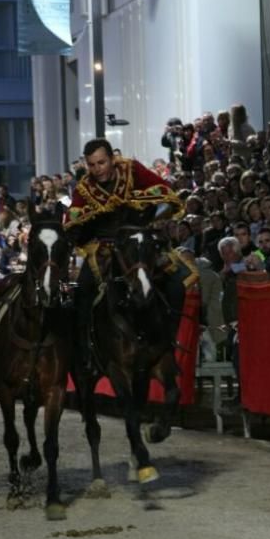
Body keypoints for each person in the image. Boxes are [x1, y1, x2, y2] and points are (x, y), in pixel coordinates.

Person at [63, 138, 185, 371]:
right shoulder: (83, 188)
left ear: (112, 158)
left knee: (177, 282)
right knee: (82, 292)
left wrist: (153, 219)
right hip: (104, 249)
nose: (97, 169)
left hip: (138, 242)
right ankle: (84, 353)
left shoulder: (132, 169)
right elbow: (73, 223)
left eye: (101, 162)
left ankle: (168, 342)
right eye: (91, 165)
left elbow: (166, 194)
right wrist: (80, 228)